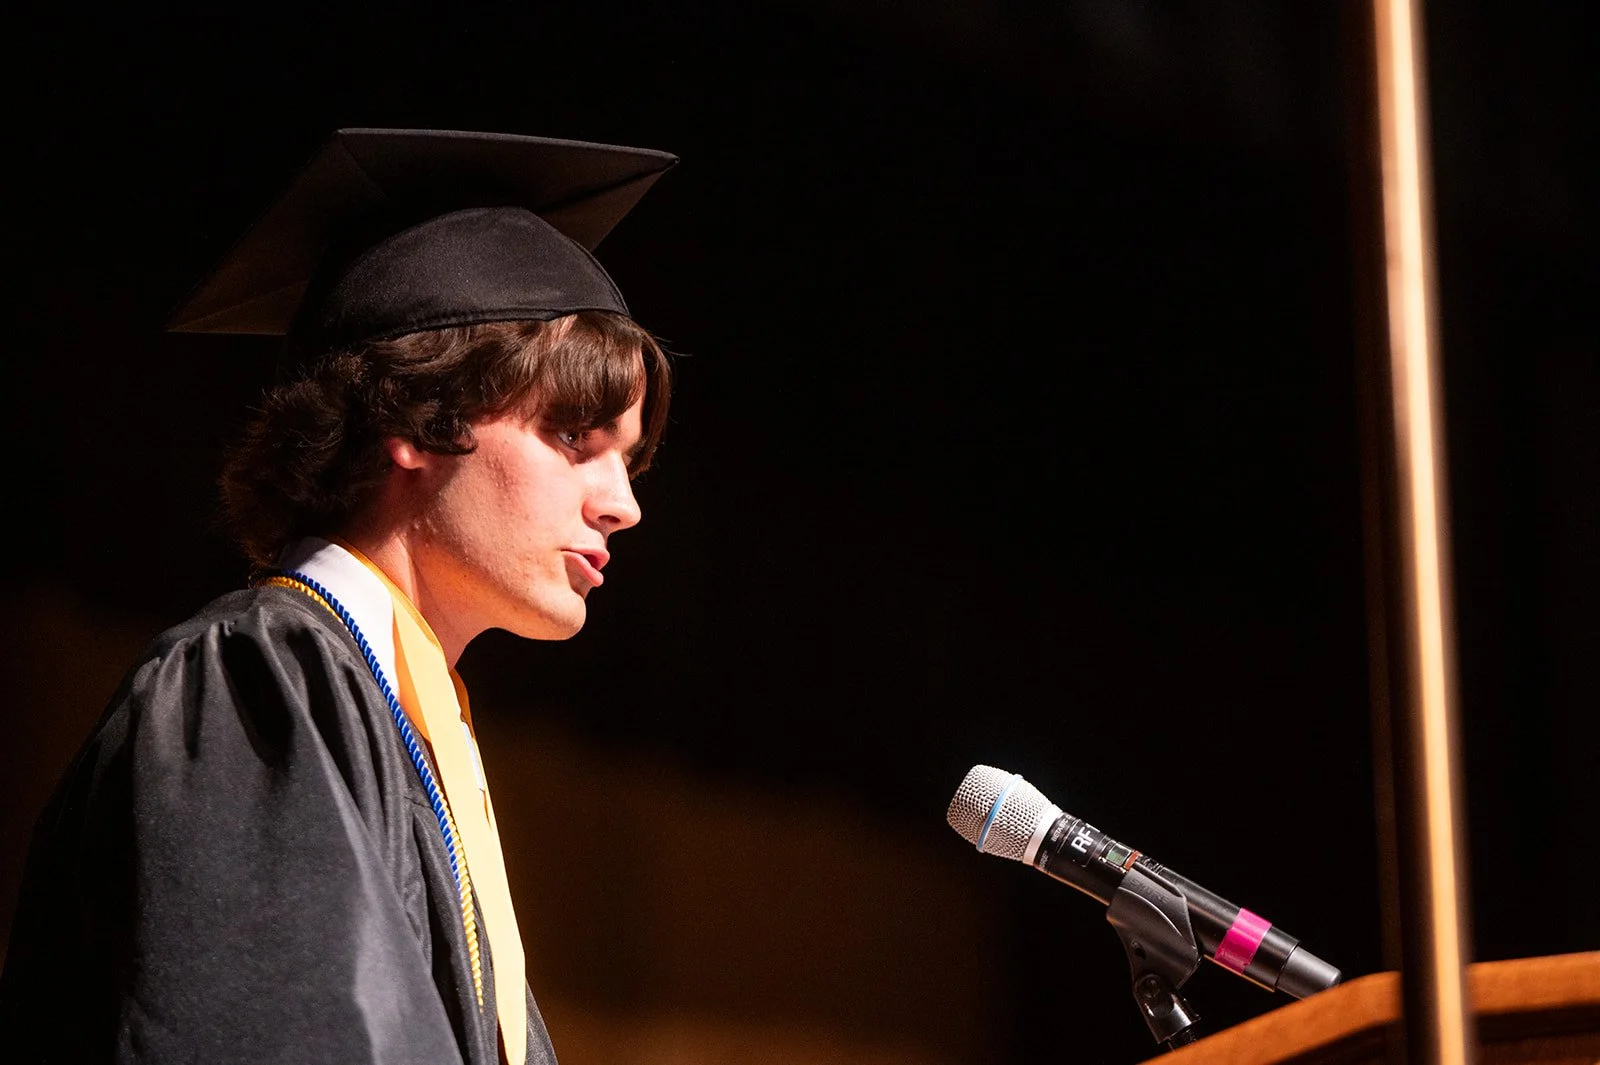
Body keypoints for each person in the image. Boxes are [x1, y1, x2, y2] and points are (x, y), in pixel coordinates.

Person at [0, 128, 678, 1065]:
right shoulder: (256, 693)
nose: (623, 504)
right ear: (419, 419)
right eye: (575, 438)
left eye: (628, 460)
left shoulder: (413, 727)